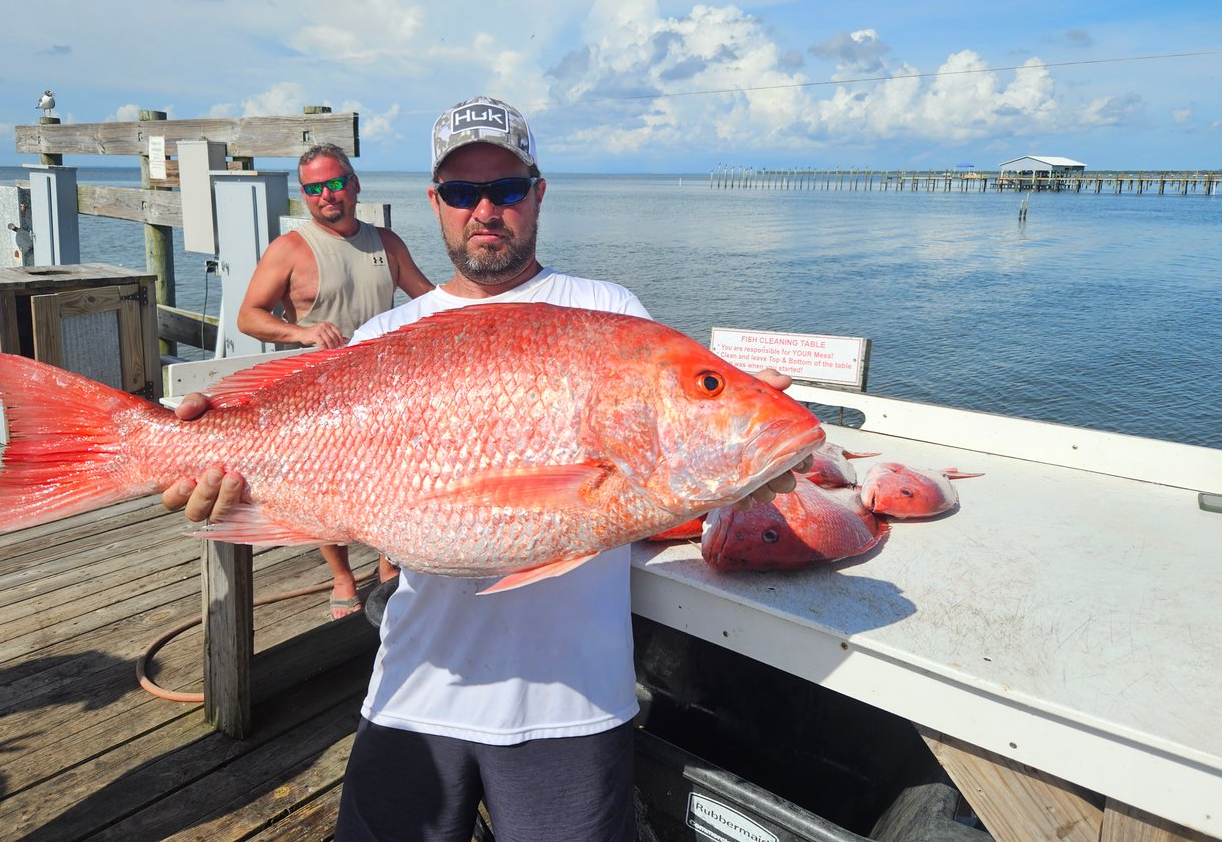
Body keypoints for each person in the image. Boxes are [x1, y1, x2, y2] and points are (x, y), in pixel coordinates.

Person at [164, 96, 808, 841]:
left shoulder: (609, 310)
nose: (485, 209)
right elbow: (300, 465)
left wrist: (745, 455)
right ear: (434, 202)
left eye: (504, 189)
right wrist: (207, 468)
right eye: (463, 192)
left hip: (574, 703)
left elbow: (656, 486)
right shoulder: (386, 332)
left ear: (536, 194)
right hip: (414, 686)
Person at [237, 143, 433, 619]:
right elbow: (248, 317)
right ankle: (342, 574)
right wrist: (300, 332)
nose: (327, 195)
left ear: (355, 184)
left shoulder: (387, 244)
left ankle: (389, 566)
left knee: (394, 479)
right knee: (325, 488)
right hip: (315, 396)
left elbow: (429, 300)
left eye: (336, 183)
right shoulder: (289, 249)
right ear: (304, 195)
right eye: (314, 188)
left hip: (384, 392)